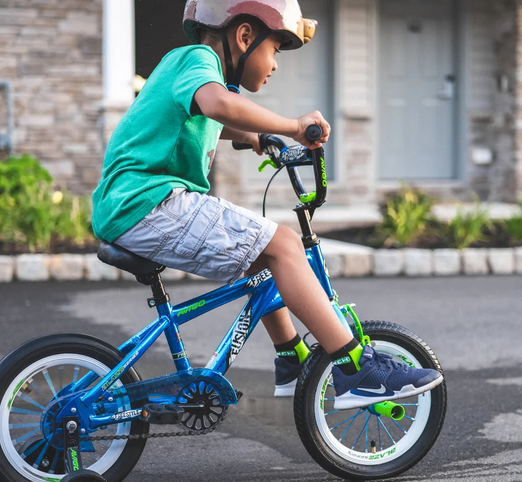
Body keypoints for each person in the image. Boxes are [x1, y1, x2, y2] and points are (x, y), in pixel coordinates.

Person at [92, 0, 442, 410]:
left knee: (264, 255)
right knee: (285, 245)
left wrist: (255, 138)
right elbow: (217, 106)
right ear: (244, 36)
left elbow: (203, 117)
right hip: (147, 204)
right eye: (274, 49)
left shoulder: (193, 72)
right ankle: (355, 368)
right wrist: (293, 126)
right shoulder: (198, 59)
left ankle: (291, 356)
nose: (275, 64)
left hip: (136, 206)